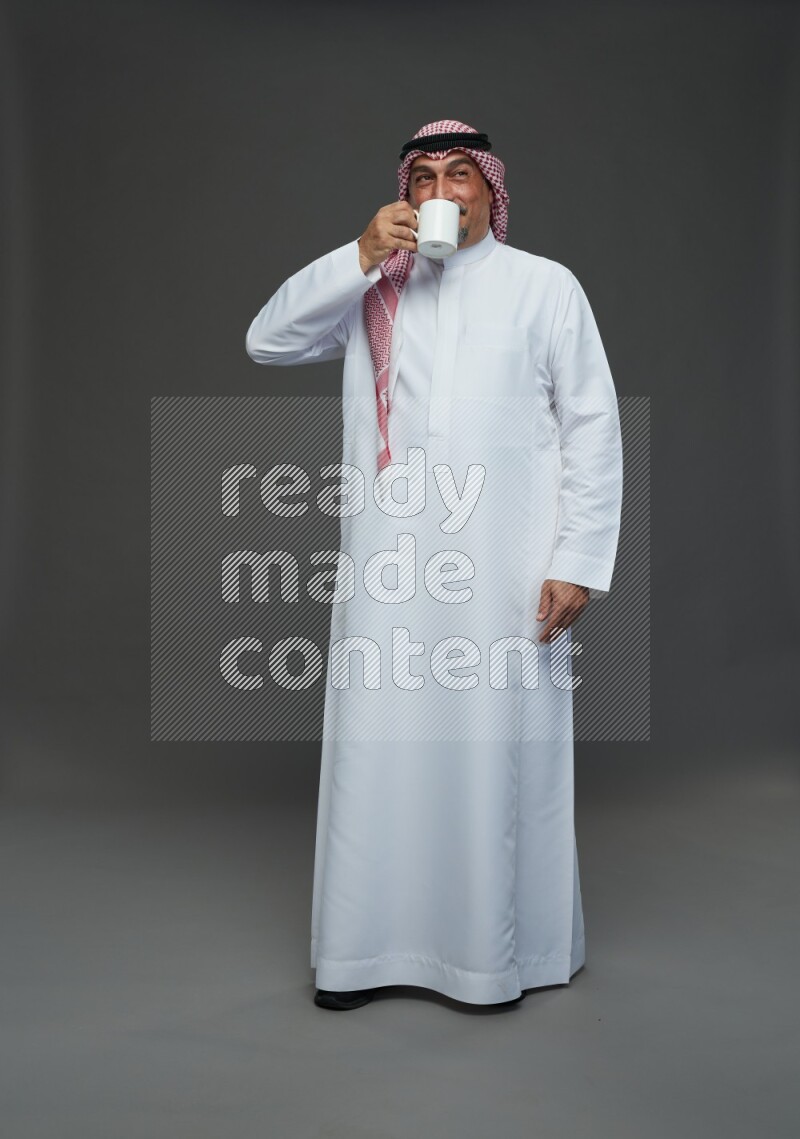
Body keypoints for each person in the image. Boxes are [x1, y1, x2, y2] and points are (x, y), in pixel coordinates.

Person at [246, 119, 623, 1011]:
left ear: (492, 191)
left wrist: (577, 559)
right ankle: (361, 956)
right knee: (379, 750)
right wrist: (358, 254)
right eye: (423, 176)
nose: (442, 190)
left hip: (505, 568)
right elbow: (267, 340)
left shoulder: (544, 287)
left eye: (461, 174)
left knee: (498, 752)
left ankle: (496, 959)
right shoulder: (376, 286)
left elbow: (591, 427)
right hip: (389, 567)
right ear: (405, 195)